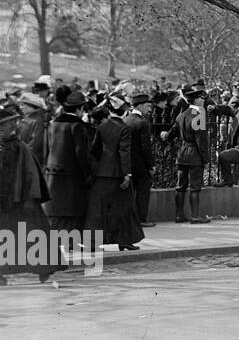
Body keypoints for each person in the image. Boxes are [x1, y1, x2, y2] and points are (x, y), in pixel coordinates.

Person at [1, 101, 63, 286]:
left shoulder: (20, 147)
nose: (12, 127)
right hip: (3, 202)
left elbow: (31, 173)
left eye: (11, 124)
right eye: (6, 125)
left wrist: (31, 198)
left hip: (22, 200)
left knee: (34, 234)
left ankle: (45, 269)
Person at [85, 94, 146, 251]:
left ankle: (93, 243)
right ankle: (124, 240)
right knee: (124, 209)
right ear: (124, 111)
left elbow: (94, 151)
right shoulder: (123, 128)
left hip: (101, 174)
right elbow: (124, 152)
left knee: (98, 210)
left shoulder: (101, 127)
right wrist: (127, 174)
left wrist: (96, 169)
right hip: (118, 174)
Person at [43, 90, 94, 233]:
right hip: (72, 176)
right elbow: (81, 154)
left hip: (53, 173)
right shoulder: (77, 126)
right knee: (72, 211)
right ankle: (70, 241)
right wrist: (88, 174)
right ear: (80, 109)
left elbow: (47, 149)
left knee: (56, 211)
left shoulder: (53, 124)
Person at [163, 88, 210, 224]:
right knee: (195, 187)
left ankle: (179, 216)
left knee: (180, 186)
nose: (203, 100)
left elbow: (172, 134)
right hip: (195, 155)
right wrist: (205, 159)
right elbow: (201, 140)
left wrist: (165, 134)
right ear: (196, 100)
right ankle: (195, 216)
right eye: (201, 98)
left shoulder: (181, 115)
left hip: (182, 155)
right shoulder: (199, 115)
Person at [123, 90, 156, 227]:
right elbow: (145, 147)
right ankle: (141, 219)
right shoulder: (142, 122)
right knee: (143, 192)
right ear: (141, 106)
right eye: (147, 106)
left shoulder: (126, 120)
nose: (149, 109)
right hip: (141, 164)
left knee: (130, 194)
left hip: (129, 163)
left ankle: (130, 219)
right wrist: (151, 164)